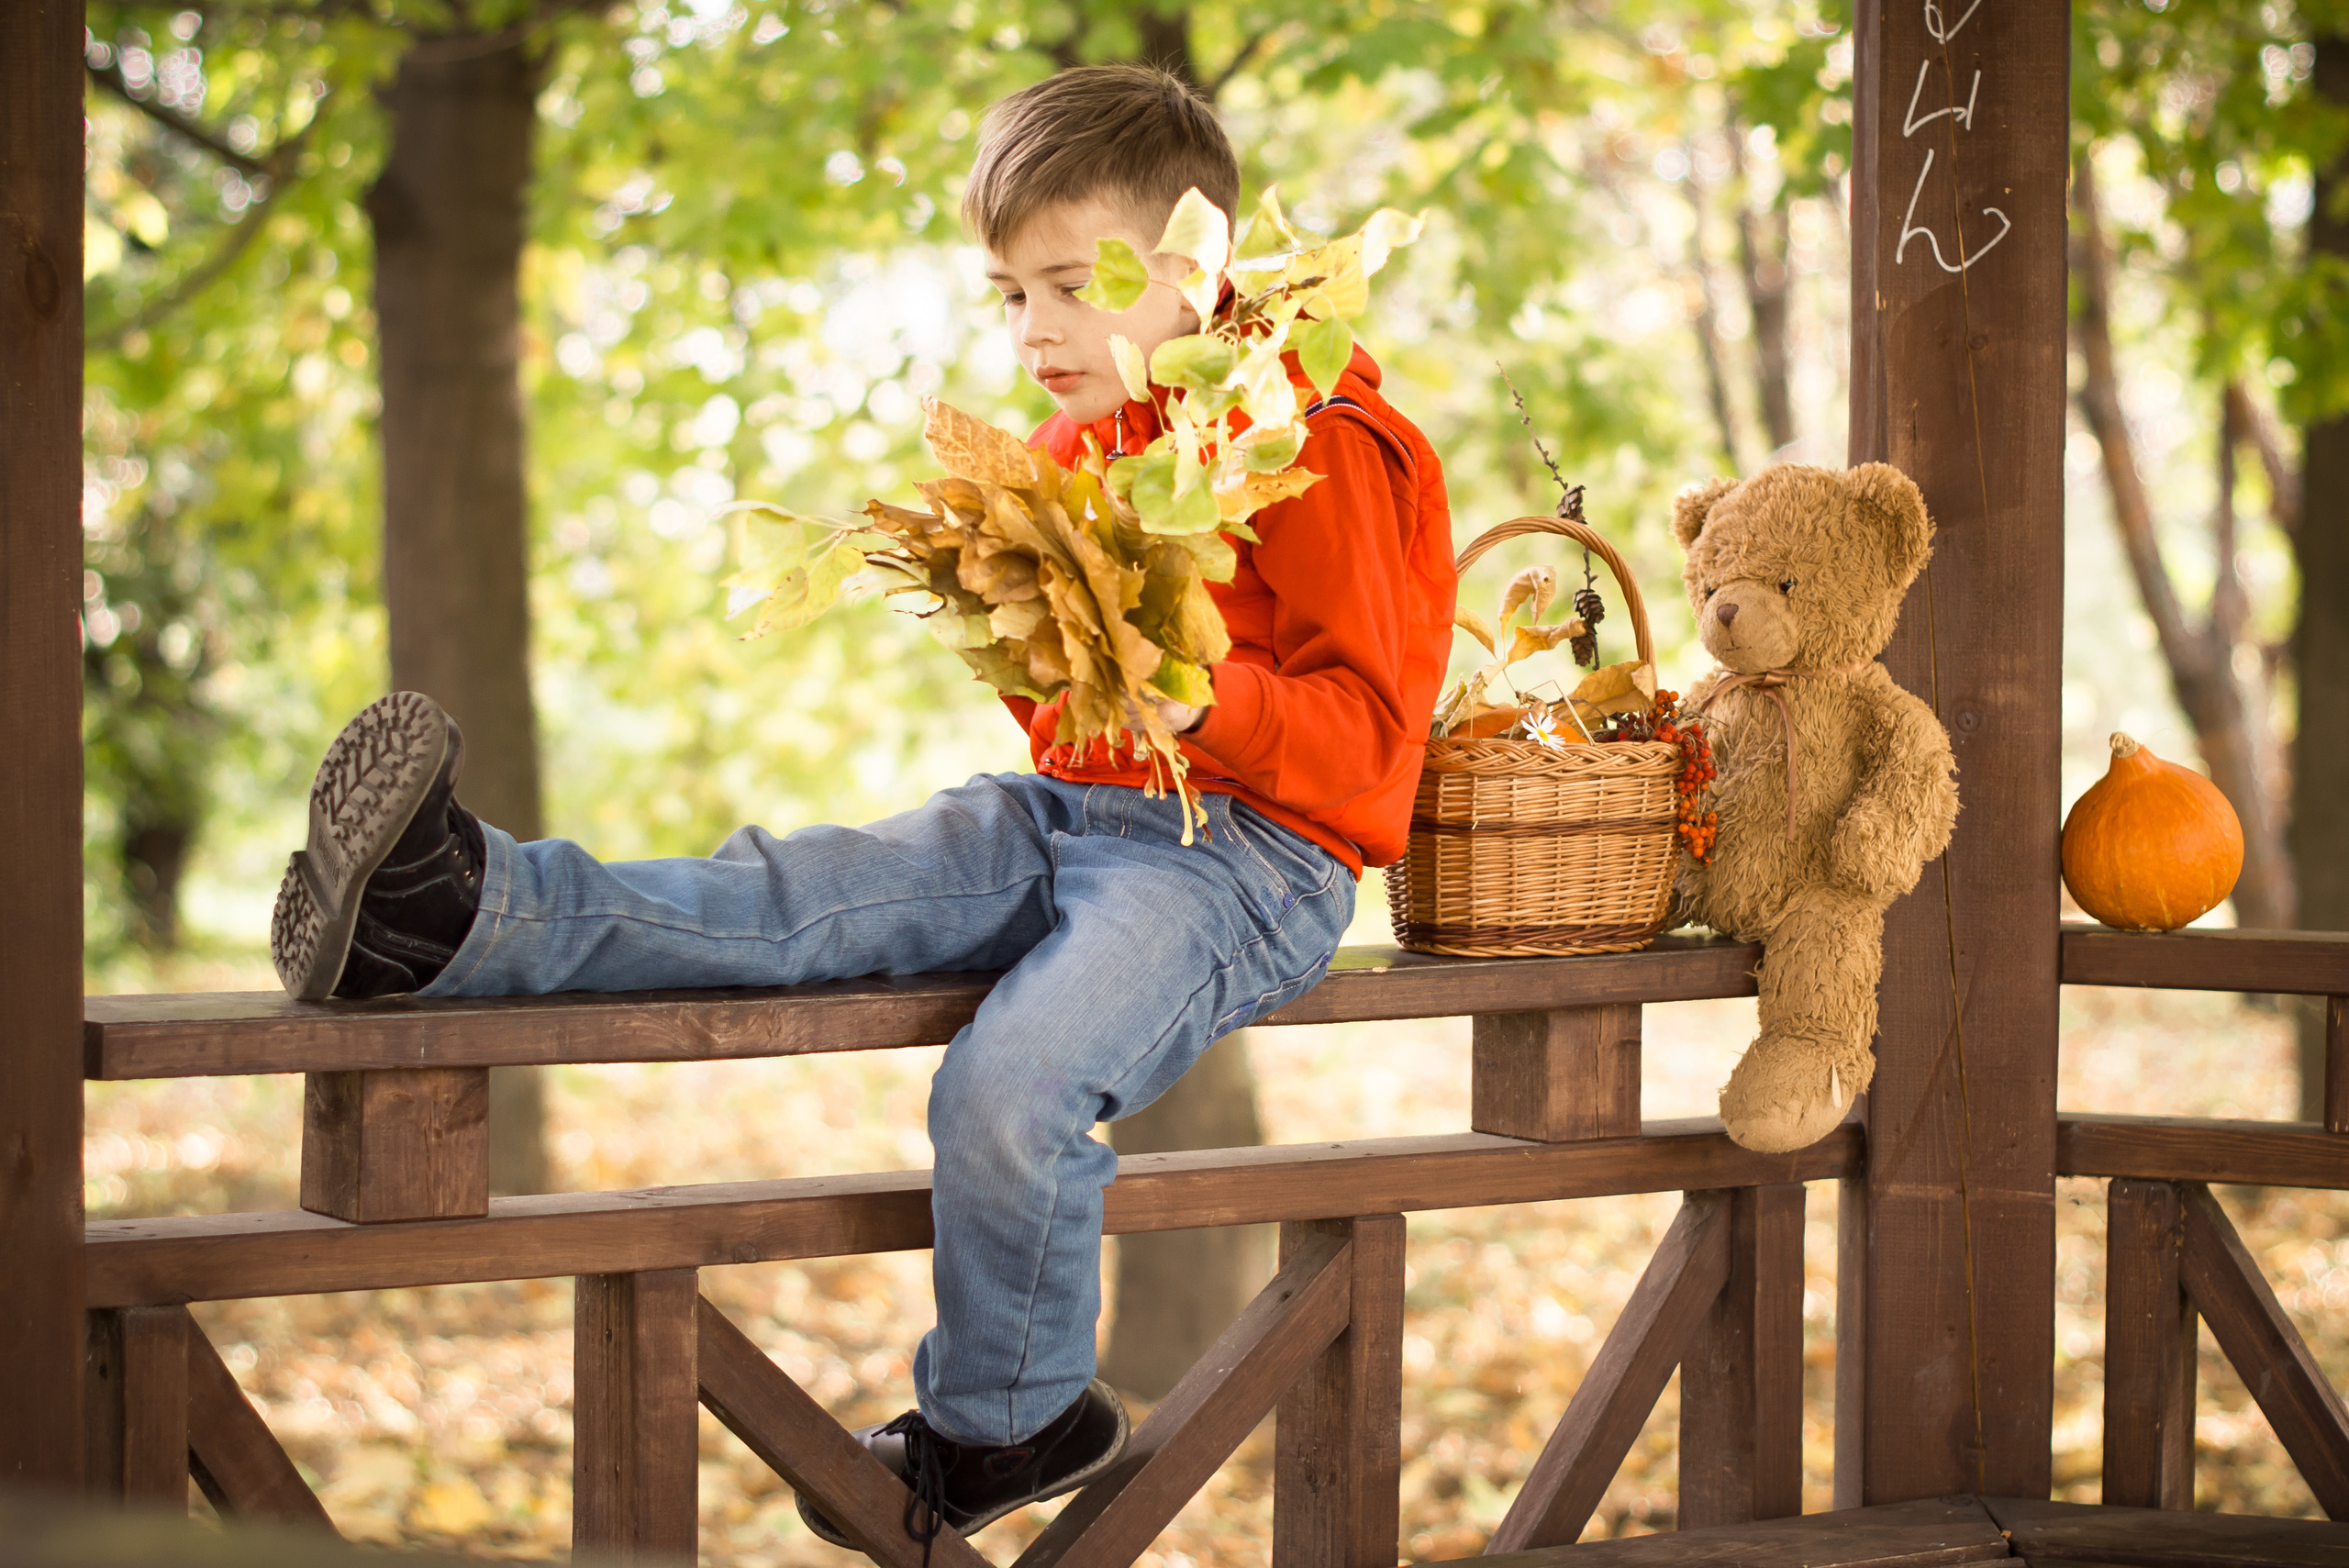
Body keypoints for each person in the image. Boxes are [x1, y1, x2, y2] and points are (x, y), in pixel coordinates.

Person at [269, 62, 1454, 1557]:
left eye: (1072, 286)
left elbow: (1371, 753)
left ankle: (1015, 1412)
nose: (1035, 332)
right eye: (1008, 294)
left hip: (1251, 863)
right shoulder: (1087, 450)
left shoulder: (1327, 439)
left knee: (1009, 1084)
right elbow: (1066, 713)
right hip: (1074, 811)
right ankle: (453, 910)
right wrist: (1026, 627)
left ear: (1195, 262)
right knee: (793, 890)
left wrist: (1209, 706)